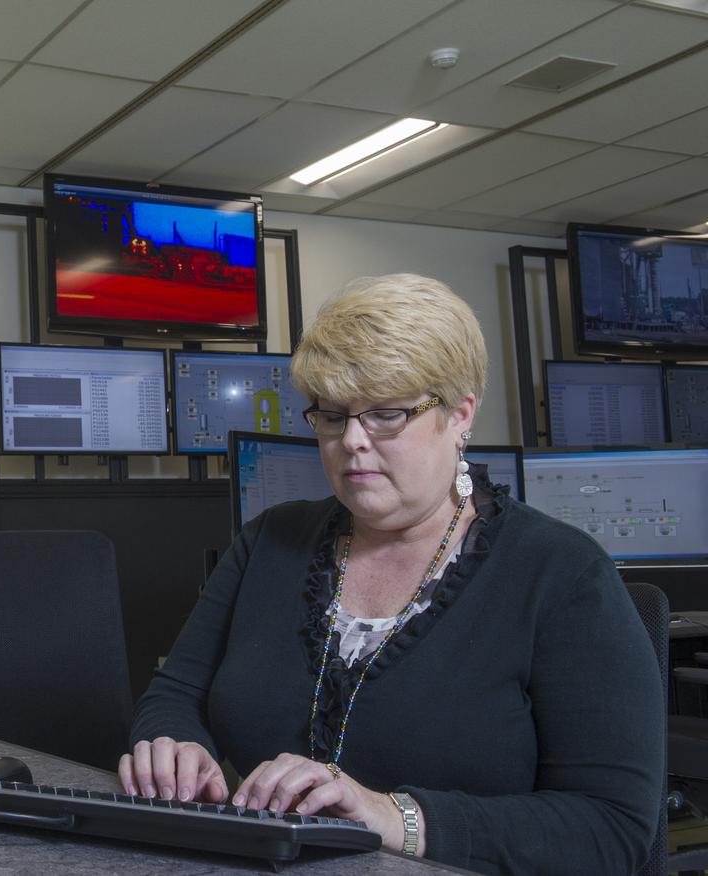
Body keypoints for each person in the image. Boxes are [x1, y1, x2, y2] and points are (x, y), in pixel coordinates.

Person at [119, 274, 662, 875]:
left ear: (461, 414)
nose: (352, 441)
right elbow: (175, 694)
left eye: (386, 415)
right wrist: (176, 748)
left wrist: (393, 818)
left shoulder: (562, 574)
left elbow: (612, 830)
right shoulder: (269, 541)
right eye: (332, 415)